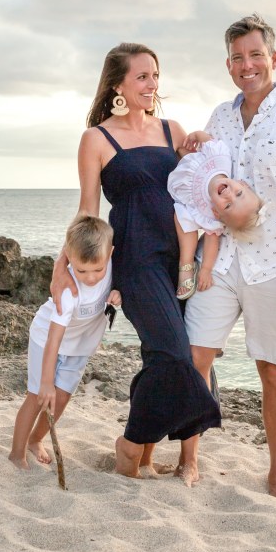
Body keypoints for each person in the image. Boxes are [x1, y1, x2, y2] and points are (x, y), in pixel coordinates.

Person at [50, 42, 221, 485]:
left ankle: (147, 456)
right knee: (173, 352)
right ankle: (130, 444)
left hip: (181, 255)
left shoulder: (172, 130)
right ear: (118, 84)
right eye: (142, 76)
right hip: (136, 258)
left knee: (169, 355)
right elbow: (88, 210)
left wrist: (203, 141)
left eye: (155, 76)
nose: (152, 85)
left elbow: (201, 185)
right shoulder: (96, 138)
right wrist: (62, 266)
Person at [185, 14, 276, 498]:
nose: (246, 65)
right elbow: (200, 182)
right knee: (195, 359)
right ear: (228, 65)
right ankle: (189, 460)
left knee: (273, 370)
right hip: (222, 262)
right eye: (237, 58)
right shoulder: (220, 117)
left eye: (255, 55)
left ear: (273, 58)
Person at [9, 214, 121, 470]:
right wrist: (46, 382)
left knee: (61, 399)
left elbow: (115, 280)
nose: (90, 278)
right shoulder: (69, 293)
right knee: (37, 396)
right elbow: (53, 340)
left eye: (97, 270)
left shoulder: (111, 266)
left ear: (111, 254)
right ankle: (16, 453)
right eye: (81, 270)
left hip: (79, 346)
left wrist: (118, 291)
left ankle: (35, 440)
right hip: (46, 340)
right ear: (68, 256)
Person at [166, 137, 264, 299]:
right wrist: (199, 136)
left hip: (174, 184)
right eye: (238, 193)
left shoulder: (208, 214)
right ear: (242, 183)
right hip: (181, 158)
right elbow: (209, 142)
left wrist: (205, 270)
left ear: (218, 214)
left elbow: (212, 242)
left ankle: (186, 264)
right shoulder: (221, 160)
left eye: (227, 206)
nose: (229, 195)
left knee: (183, 219)